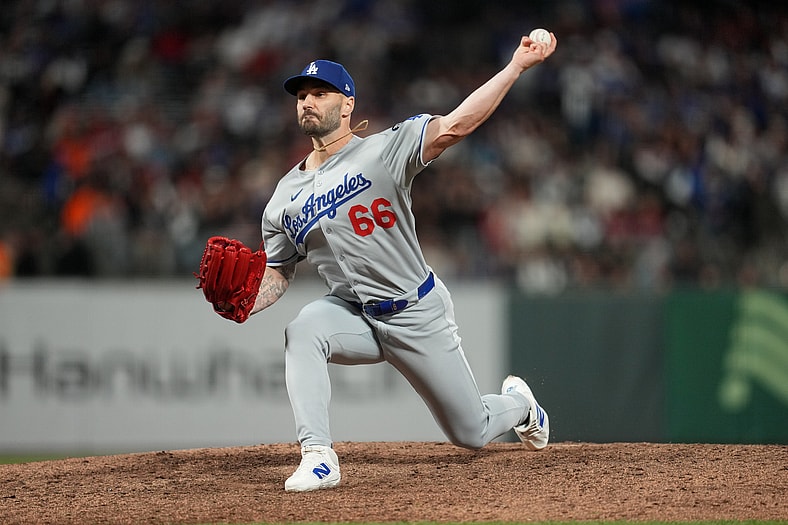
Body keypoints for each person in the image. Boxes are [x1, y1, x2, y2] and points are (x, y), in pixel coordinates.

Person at [251, 31, 557, 492]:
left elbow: (456, 124)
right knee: (304, 329)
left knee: (471, 432)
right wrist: (250, 302)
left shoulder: (384, 150)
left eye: (319, 93)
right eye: (301, 95)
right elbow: (280, 270)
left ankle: (521, 406)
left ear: (347, 104)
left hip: (415, 311)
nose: (307, 101)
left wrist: (515, 66)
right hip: (351, 313)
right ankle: (318, 456)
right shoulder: (282, 198)